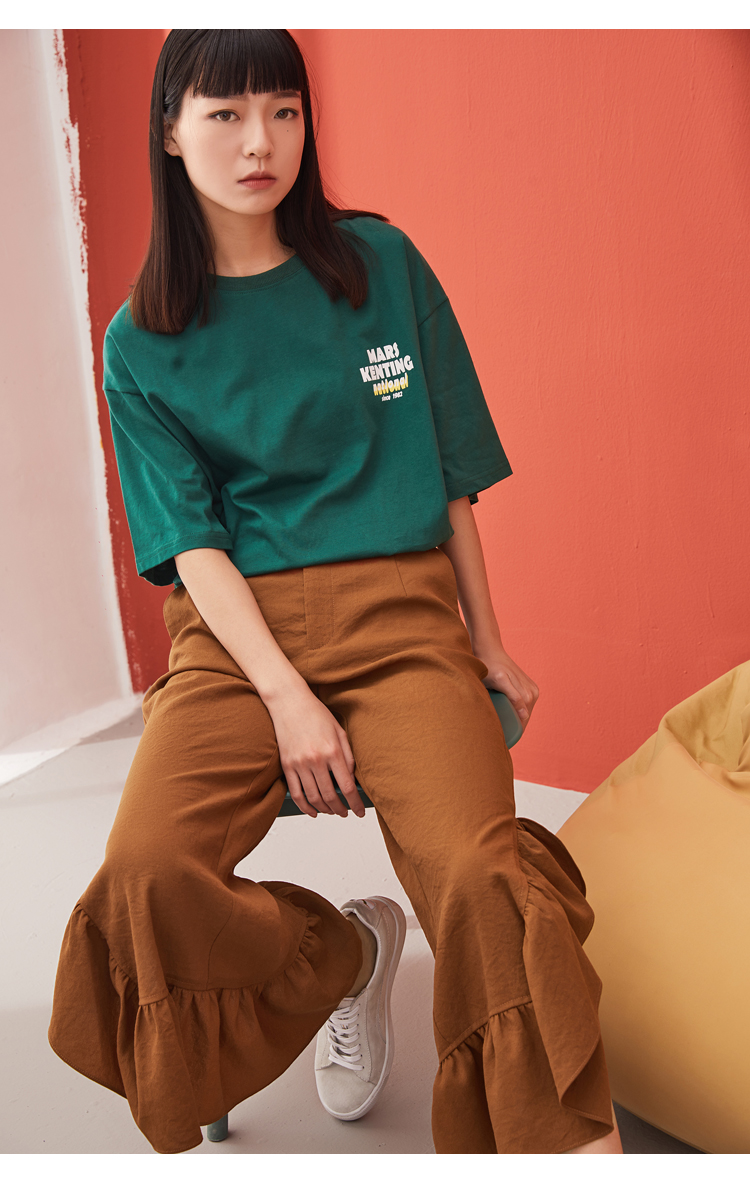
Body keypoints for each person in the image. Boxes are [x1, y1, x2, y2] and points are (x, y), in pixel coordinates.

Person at [48, 29, 622, 1155]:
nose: (259, 143)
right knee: (147, 871)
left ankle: (566, 1147)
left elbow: (449, 475)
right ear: (171, 133)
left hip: (402, 619)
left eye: (283, 110)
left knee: (480, 870)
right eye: (224, 115)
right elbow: (193, 546)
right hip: (237, 640)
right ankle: (345, 955)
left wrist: (487, 639)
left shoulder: (380, 264)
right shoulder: (140, 342)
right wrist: (287, 698)